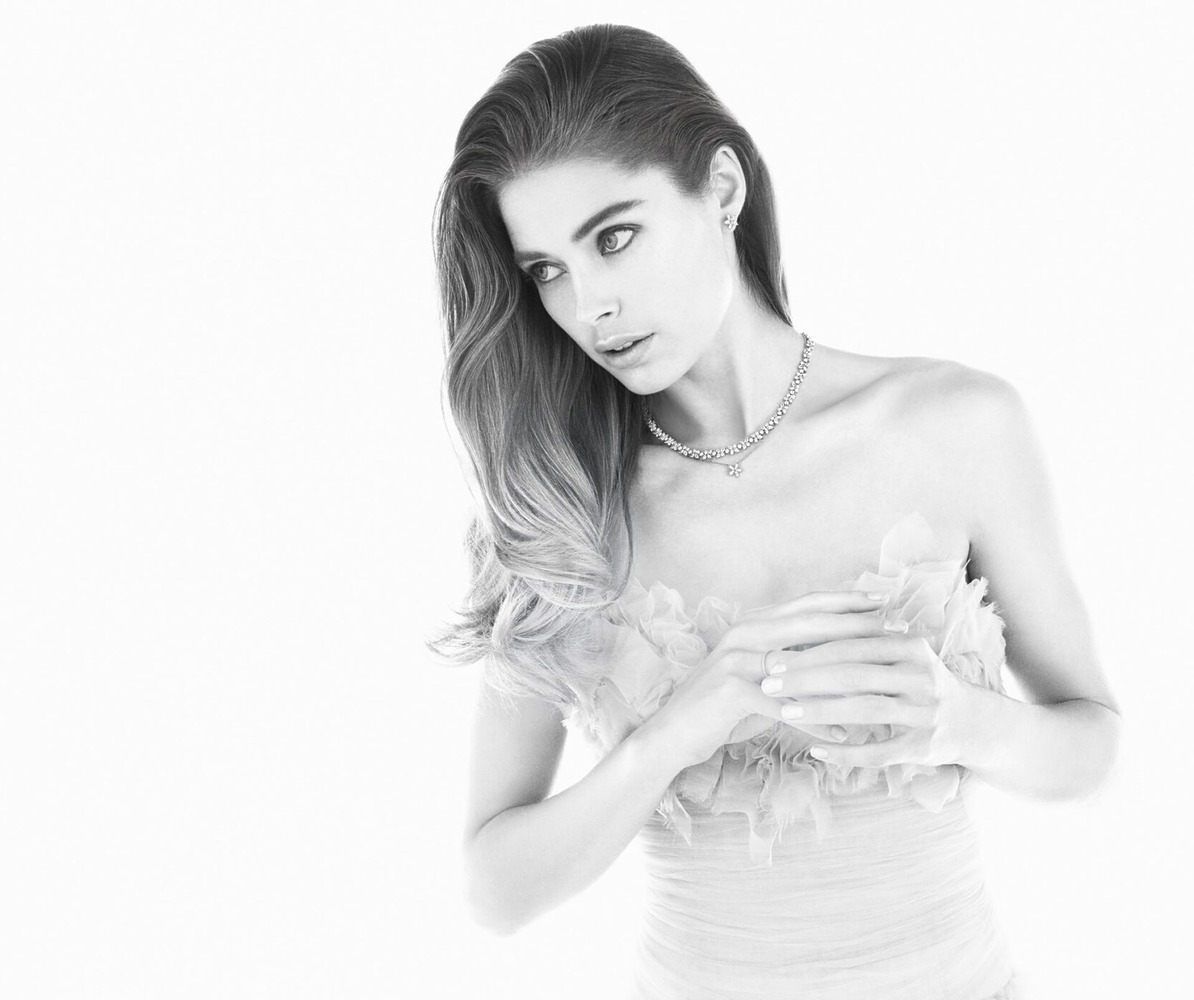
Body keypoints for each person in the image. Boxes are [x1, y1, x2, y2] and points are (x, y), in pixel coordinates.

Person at [428, 23, 1120, 1000]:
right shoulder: (558, 506)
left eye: (613, 238)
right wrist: (671, 736)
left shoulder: (955, 425)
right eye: (546, 270)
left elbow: (1090, 744)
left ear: (720, 188)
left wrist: (963, 722)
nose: (590, 307)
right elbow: (493, 891)